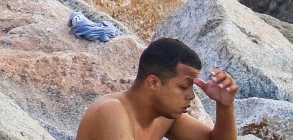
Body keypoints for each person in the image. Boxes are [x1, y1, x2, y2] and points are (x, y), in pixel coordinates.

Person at [74, 38, 237, 140]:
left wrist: (224, 106)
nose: (191, 96)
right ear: (153, 83)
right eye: (183, 86)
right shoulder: (111, 110)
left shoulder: (165, 117)